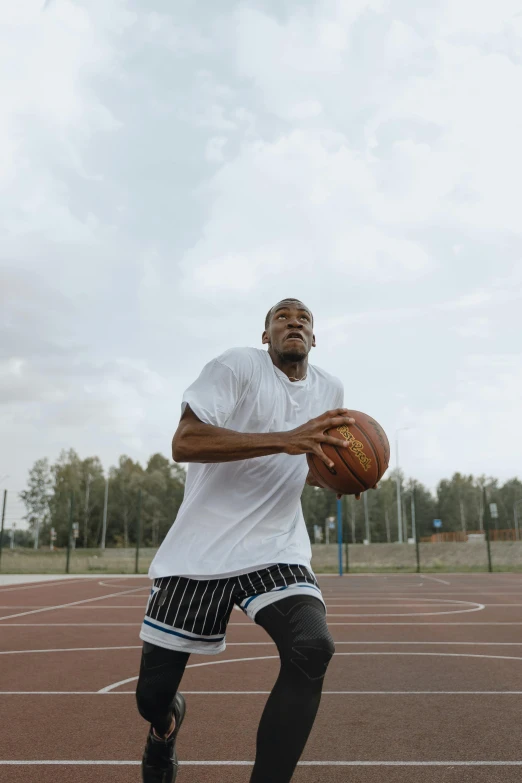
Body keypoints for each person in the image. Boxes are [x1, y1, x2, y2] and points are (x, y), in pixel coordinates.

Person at [136, 298, 357, 783]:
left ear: (314, 339)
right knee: (150, 697)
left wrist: (346, 478)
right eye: (282, 317)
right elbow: (185, 442)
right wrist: (285, 438)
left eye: (304, 319)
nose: (293, 321)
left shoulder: (330, 390)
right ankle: (164, 728)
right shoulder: (237, 366)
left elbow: (313, 463)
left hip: (276, 547)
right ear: (266, 336)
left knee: (312, 647)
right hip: (200, 550)